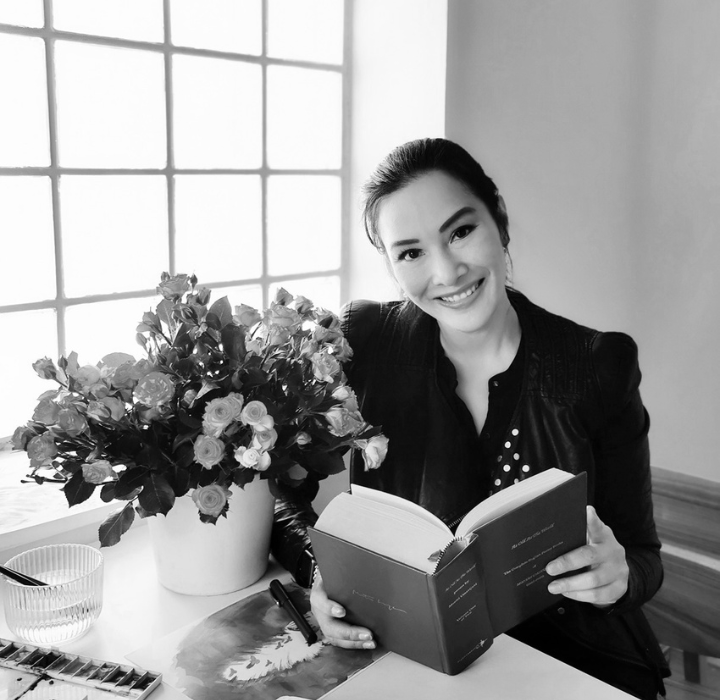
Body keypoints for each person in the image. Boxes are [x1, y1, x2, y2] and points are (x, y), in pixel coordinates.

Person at [271, 138, 670, 700]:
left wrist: (619, 575)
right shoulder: (368, 344)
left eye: (461, 232)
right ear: (391, 265)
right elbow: (278, 489)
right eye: (410, 253)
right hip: (414, 668)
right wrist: (320, 575)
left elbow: (644, 557)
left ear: (499, 221)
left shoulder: (597, 365)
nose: (446, 271)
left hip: (578, 669)